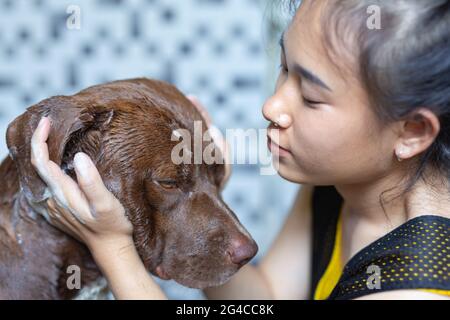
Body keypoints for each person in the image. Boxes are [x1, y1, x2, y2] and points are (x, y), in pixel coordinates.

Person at [30, 0, 450, 300]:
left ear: (411, 131)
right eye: (284, 68)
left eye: (311, 97)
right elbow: (265, 297)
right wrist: (204, 188)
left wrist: (113, 247)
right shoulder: (343, 183)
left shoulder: (416, 288)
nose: (272, 107)